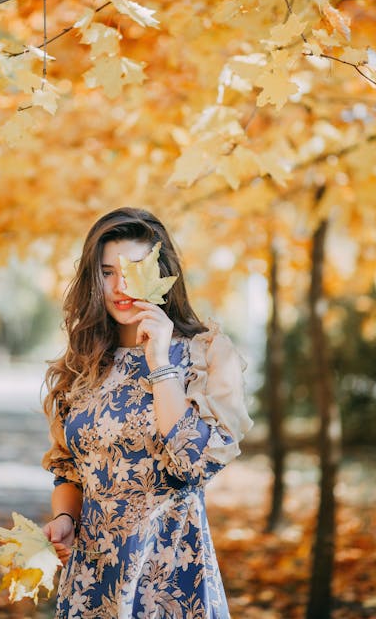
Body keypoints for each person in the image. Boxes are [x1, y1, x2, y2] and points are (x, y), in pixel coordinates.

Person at [41, 207, 253, 619]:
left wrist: (160, 362)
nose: (120, 285)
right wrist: (65, 517)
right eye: (106, 272)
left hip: (172, 575)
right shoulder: (83, 363)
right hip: (91, 579)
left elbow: (194, 464)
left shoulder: (206, 355)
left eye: (135, 269)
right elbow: (69, 470)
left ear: (162, 274)